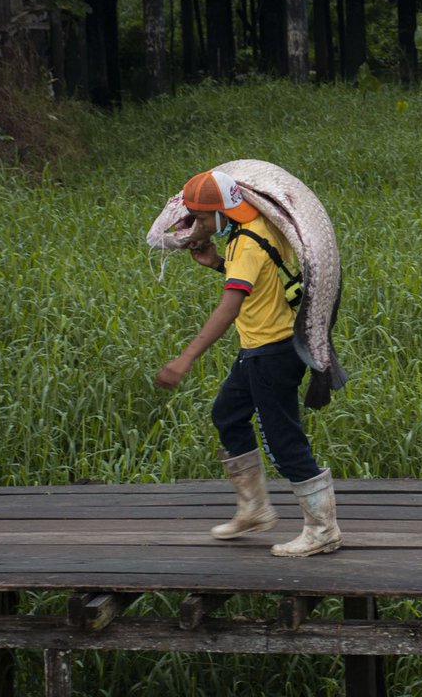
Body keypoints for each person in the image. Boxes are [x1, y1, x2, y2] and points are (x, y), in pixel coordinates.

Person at [154, 169, 342, 558]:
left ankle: (323, 529)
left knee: (283, 442)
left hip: (271, 353)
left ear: (224, 211)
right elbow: (260, 280)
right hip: (262, 349)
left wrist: (184, 360)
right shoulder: (256, 226)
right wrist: (217, 264)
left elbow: (229, 306)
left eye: (203, 218)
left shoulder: (248, 244)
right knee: (227, 415)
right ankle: (254, 509)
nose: (199, 226)